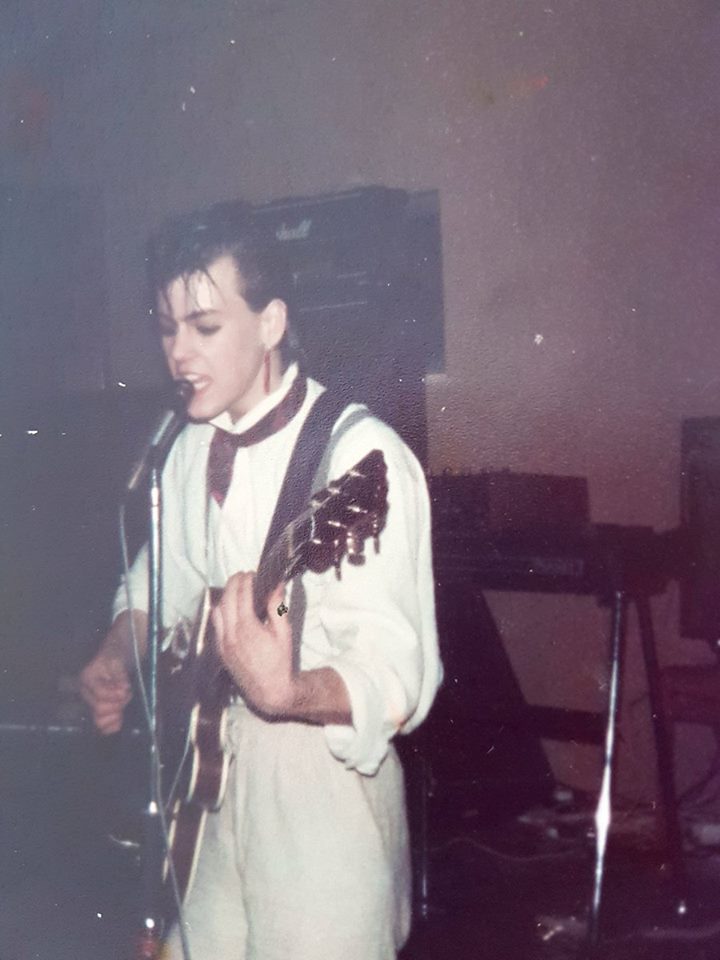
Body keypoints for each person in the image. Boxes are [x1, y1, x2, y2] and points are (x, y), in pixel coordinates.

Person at [79, 200, 442, 960]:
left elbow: (397, 682)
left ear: (271, 322)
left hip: (320, 792)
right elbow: (154, 590)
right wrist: (116, 655)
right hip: (205, 787)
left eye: (205, 327)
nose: (178, 353)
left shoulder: (360, 458)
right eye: (167, 329)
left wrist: (288, 691)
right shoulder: (188, 448)